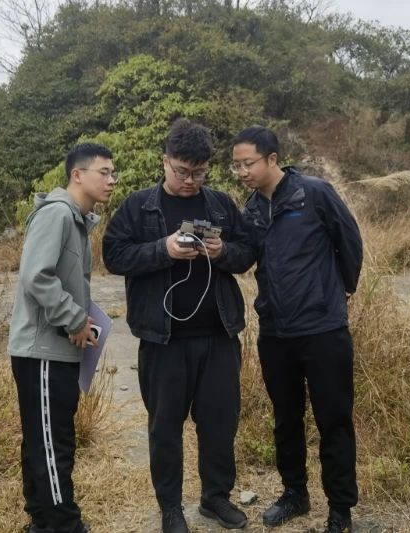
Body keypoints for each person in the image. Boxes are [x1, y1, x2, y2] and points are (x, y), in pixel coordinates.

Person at [103, 119, 255, 533]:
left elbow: (247, 254)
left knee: (220, 422)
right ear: (164, 162)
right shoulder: (138, 207)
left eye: (199, 172)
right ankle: (171, 507)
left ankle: (215, 498)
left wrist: (224, 251)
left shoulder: (220, 204)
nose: (190, 181)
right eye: (182, 171)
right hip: (163, 340)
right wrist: (163, 249)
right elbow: (113, 256)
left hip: (219, 335)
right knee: (165, 427)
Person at [231, 126, 363, 533]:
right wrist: (220, 251)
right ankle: (295, 494)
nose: (242, 171)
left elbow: (350, 242)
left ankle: (340, 509)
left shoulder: (314, 193)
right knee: (286, 418)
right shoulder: (252, 209)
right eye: (236, 165)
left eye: (247, 163)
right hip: (275, 332)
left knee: (333, 419)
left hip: (323, 330)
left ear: (272, 159)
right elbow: (245, 257)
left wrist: (339, 293)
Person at [8, 143, 117, 533]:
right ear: (77, 175)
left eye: (112, 173)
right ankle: (65, 524)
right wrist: (74, 320)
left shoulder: (76, 220)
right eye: (103, 172)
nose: (111, 180)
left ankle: (41, 521)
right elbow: (36, 275)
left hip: (53, 352)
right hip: (43, 352)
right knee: (53, 445)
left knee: (45, 440)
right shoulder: (57, 214)